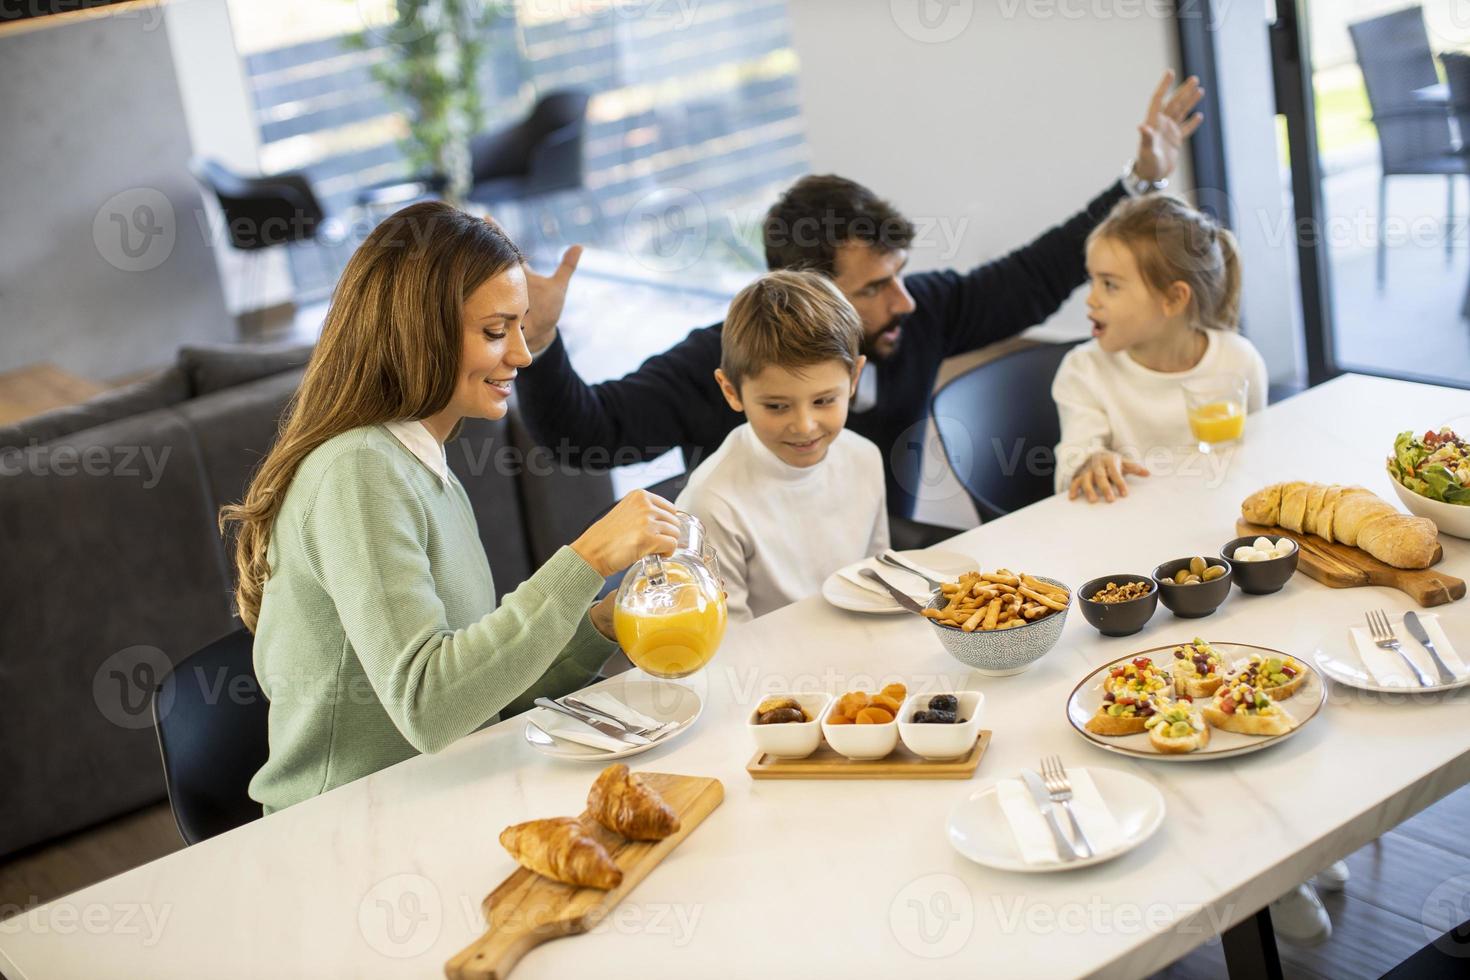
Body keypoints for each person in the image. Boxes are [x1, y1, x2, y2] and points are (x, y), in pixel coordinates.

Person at [514, 71, 1206, 520]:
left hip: (883, 557)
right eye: (874, 287)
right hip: (766, 596)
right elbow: (588, 436)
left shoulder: (916, 315)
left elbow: (1032, 279)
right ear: (814, 297)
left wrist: (1138, 183)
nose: (901, 300)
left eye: (898, 273)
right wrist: (539, 342)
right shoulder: (721, 359)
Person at [221, 203, 681, 815]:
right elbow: (430, 705)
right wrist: (588, 558)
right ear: (419, 331)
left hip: (440, 793)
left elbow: (478, 696)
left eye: (521, 328)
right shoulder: (358, 471)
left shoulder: (424, 466)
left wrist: (599, 622)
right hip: (346, 825)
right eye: (496, 331)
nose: (521, 354)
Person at [675, 271, 887, 622]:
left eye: (823, 401)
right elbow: (729, 642)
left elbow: (878, 579)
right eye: (776, 406)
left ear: (854, 379)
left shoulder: (864, 456)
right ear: (731, 391)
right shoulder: (712, 503)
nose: (804, 426)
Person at [1052, 194, 1269, 503]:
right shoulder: (1083, 371)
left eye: (1110, 285)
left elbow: (1259, 454)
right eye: (1093, 281)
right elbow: (1073, 462)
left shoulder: (1238, 360)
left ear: (1173, 299)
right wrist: (1090, 463)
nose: (1091, 299)